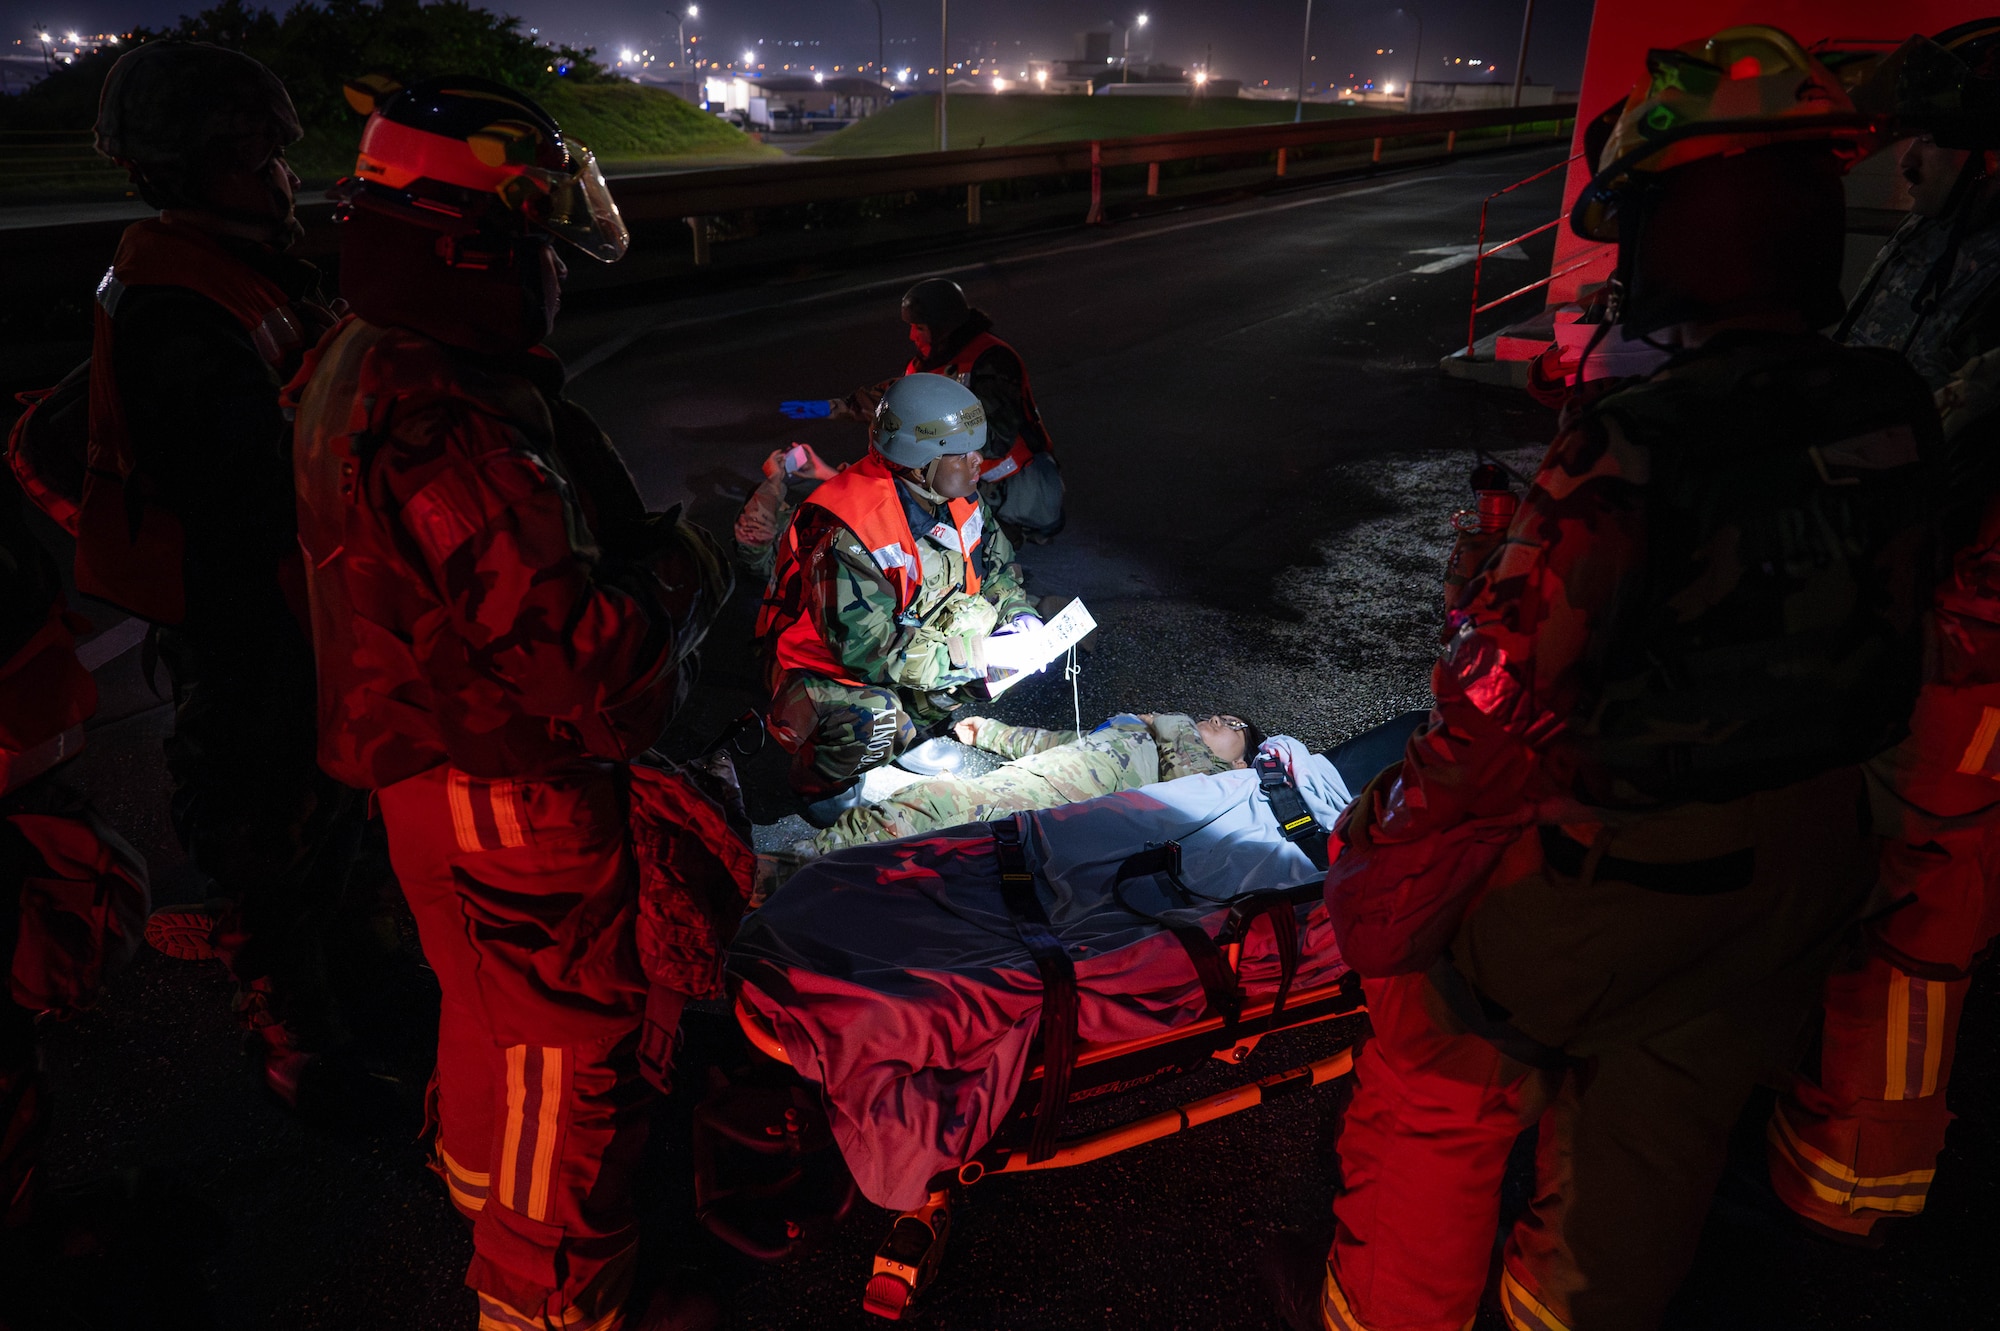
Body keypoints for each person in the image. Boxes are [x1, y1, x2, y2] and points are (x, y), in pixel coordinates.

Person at [1277, 29, 1942, 1331]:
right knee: (1647, 1150)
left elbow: (1496, 707)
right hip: (1804, 861)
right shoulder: (1895, 399)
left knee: (1431, 1043)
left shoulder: (1635, 443)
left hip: (1622, 871)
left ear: (1680, 225)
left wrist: (1393, 833)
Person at [290, 75, 730, 1330]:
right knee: (568, 1052)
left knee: (488, 1019)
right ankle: (547, 1300)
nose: (544, 264)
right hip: (511, 788)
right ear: (468, 241)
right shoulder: (449, 419)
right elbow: (581, 659)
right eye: (529, 234)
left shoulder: (365, 352)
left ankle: (484, 1205)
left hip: (427, 769)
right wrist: (684, 564)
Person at [84, 38, 381, 1112]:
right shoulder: (173, 297)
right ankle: (296, 1032)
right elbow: (247, 475)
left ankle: (341, 968)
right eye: (246, 156)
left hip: (289, 590)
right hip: (241, 605)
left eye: (272, 152)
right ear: (177, 167)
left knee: (326, 810)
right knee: (265, 820)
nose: (275, 175)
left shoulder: (242, 260)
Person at [1767, 19, 2000, 1244]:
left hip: (1966, 629)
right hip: (1907, 605)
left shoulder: (1980, 247)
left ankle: (1850, 1174)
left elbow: (1927, 422)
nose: (1894, 170)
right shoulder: (1945, 238)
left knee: (1921, 888)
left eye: (1910, 143)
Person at [757, 373, 1040, 823]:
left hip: (901, 642)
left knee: (985, 636)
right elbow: (866, 653)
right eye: (962, 453)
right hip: (820, 670)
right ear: (917, 460)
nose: (978, 462)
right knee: (873, 714)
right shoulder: (849, 528)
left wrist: (1020, 617)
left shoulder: (957, 496)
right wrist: (973, 655)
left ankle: (913, 735)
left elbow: (997, 571)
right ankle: (822, 784)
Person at [787, 278, 1065, 542]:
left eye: (919, 327)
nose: (911, 335)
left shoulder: (991, 361)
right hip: (965, 478)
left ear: (942, 326)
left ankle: (1004, 529)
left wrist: (922, 437)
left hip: (1017, 483)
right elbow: (895, 399)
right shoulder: (927, 364)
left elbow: (992, 439)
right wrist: (831, 408)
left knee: (988, 544)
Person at [805, 712, 1263, 855]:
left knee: (920, 815)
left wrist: (1175, 724)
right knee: (919, 806)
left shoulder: (1218, 781)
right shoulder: (1149, 730)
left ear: (1241, 761)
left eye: (1232, 725)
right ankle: (779, 876)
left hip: (1047, 818)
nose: (1218, 719)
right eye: (1218, 714)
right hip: (1022, 785)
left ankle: (773, 879)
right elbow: (1057, 741)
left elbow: (1186, 789)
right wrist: (988, 732)